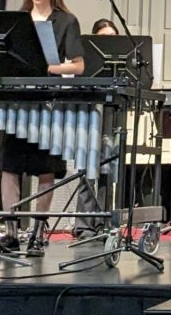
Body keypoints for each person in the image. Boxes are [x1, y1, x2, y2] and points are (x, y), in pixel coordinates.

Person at [0, 0, 85, 253]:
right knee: (9, 167)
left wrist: (51, 67)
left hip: (48, 101)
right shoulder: (17, 19)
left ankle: (37, 230)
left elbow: (79, 64)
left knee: (44, 170)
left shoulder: (66, 21)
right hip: (17, 101)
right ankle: (10, 230)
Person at [72, 18, 121, 239]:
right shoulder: (85, 58)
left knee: (106, 169)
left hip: (113, 111)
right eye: (103, 38)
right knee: (87, 170)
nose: (108, 43)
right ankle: (83, 226)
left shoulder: (120, 59)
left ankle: (102, 223)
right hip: (90, 112)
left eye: (112, 38)